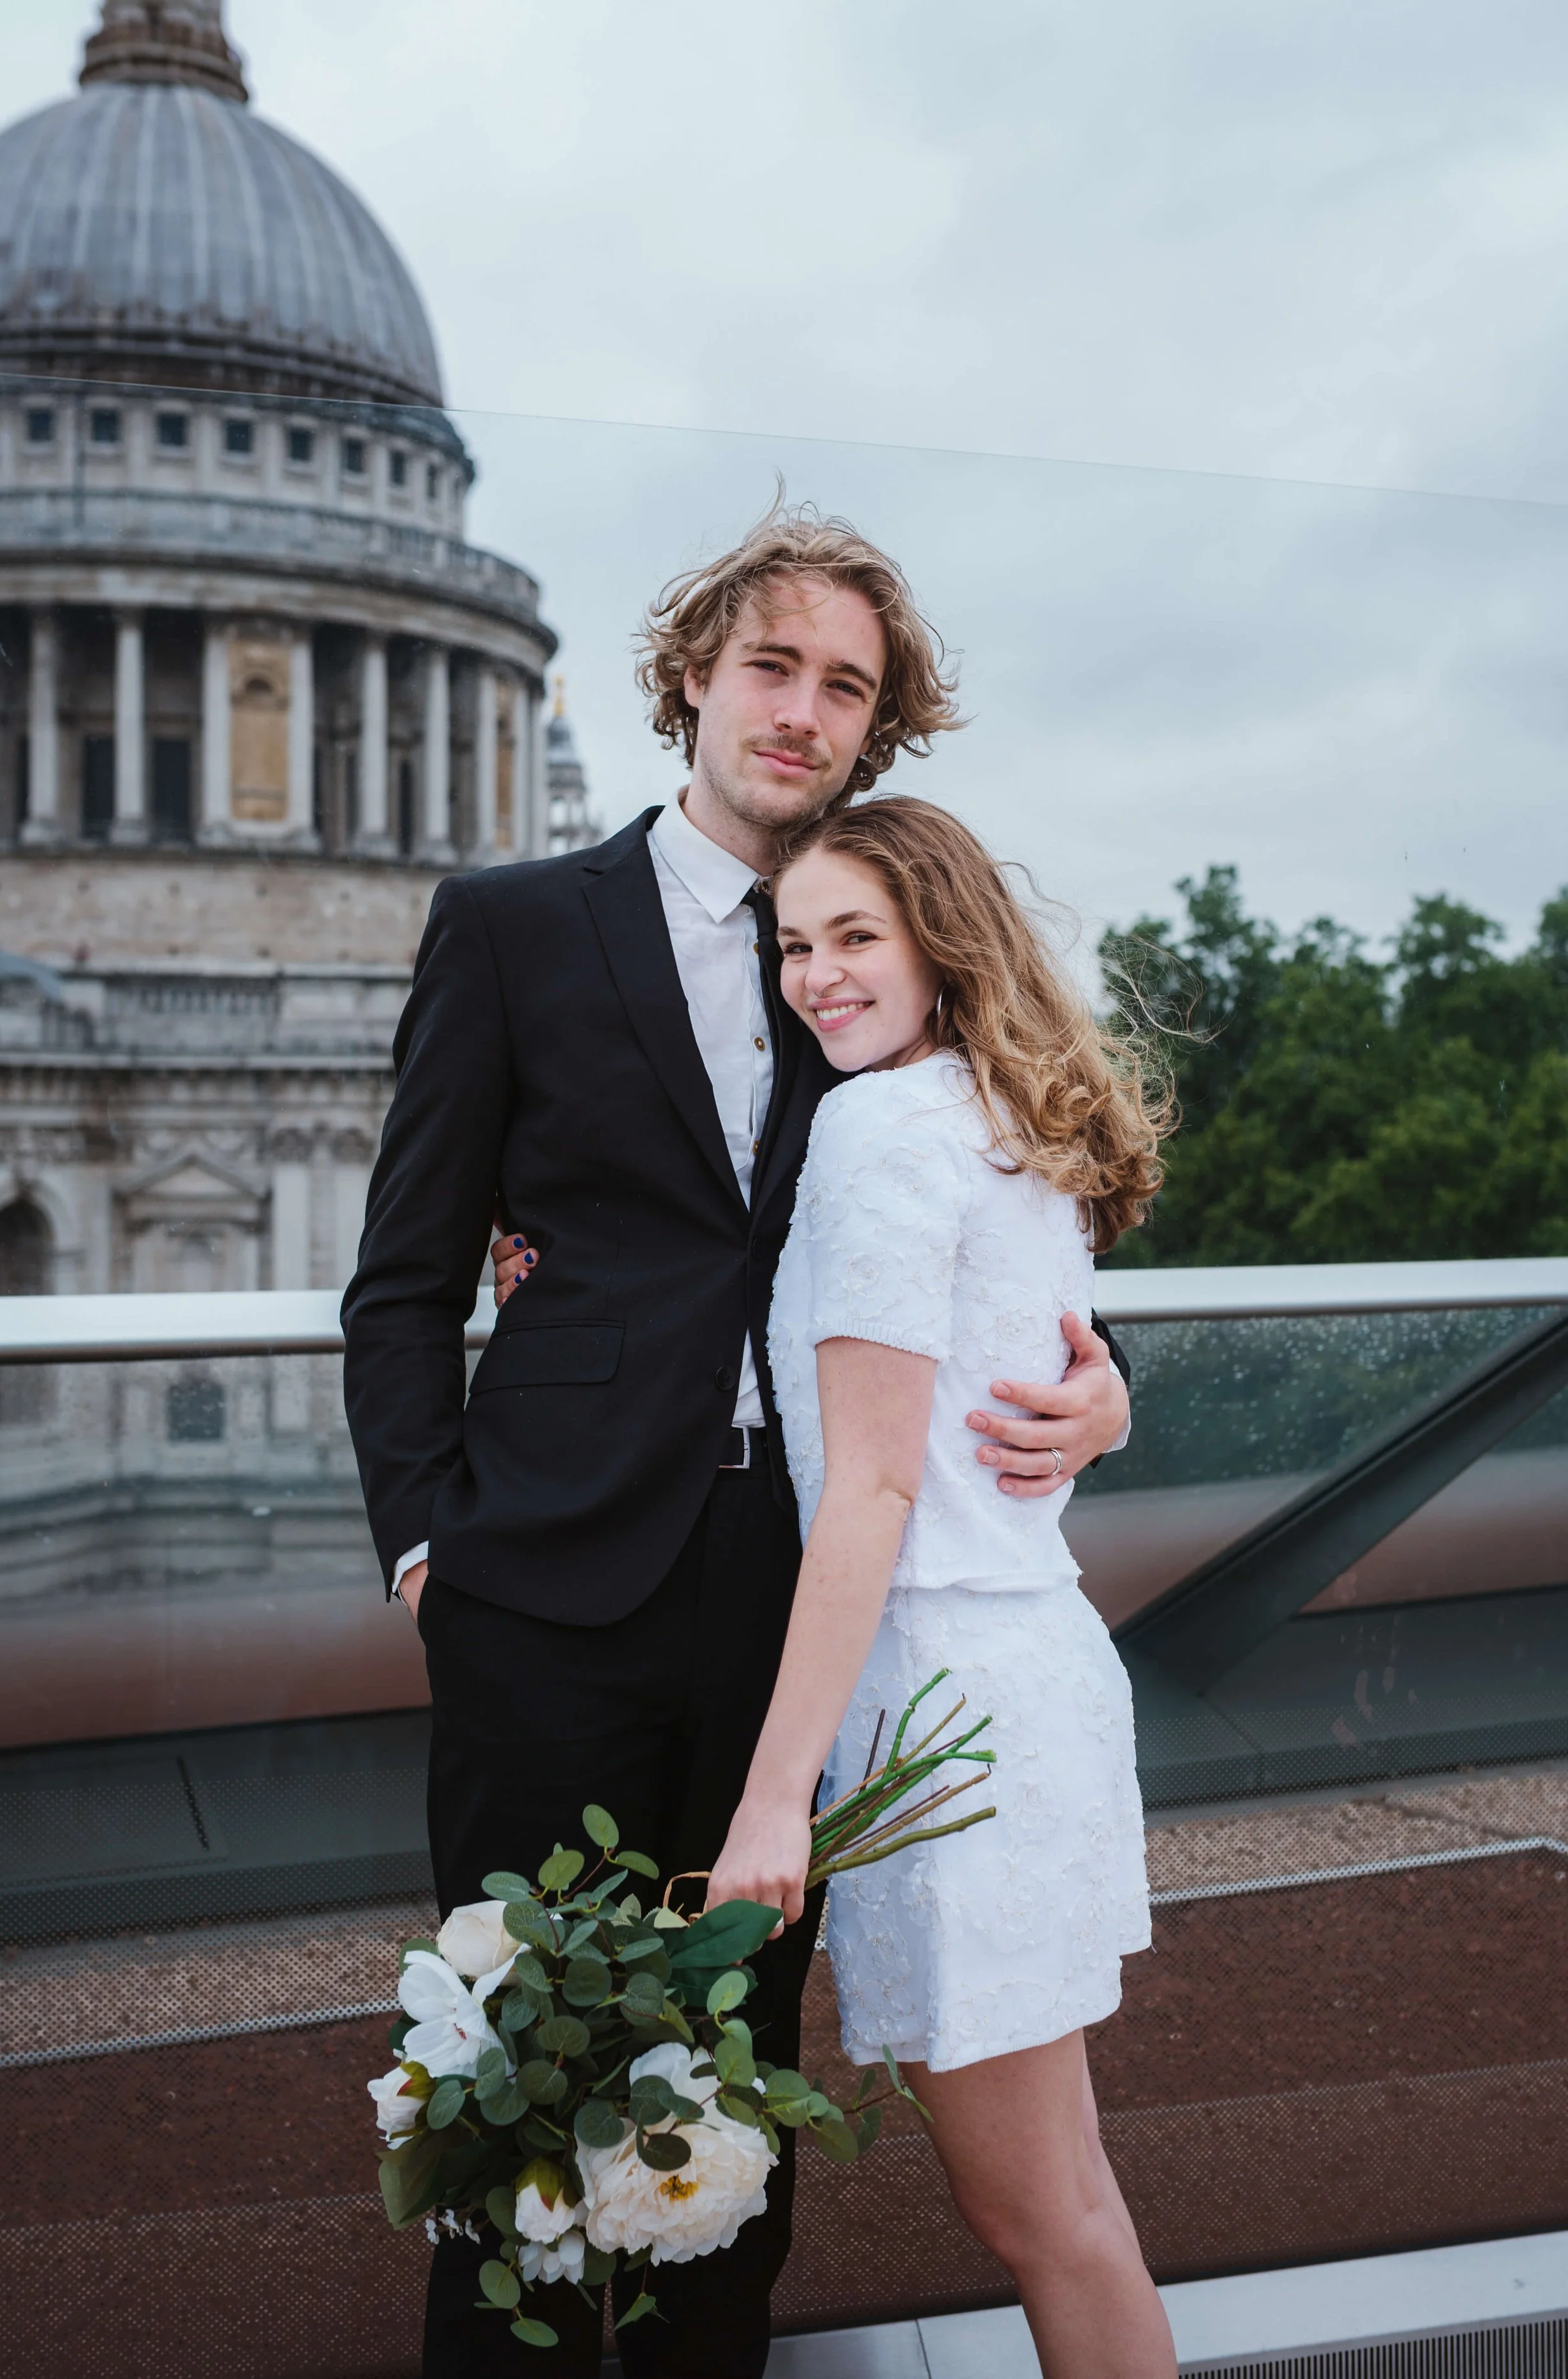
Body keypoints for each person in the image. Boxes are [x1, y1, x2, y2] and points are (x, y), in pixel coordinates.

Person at [341, 502, 1134, 2379]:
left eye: (845, 686)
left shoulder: (875, 957)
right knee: (506, 2114)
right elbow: (402, 1278)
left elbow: (986, 1214)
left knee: (732, 2127)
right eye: (771, 664)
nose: (802, 709)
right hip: (541, 1589)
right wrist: (424, 1546)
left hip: (796, 1613)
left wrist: (1107, 1389)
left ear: (875, 729)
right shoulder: (513, 927)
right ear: (693, 673)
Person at [702, 796, 1177, 2379]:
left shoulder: (881, 1130)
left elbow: (878, 1493)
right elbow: (1034, 1390)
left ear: (936, 944)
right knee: (1070, 2200)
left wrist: (774, 1806)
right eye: (792, 945)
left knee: (1045, 2217)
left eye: (855, 938)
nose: (817, 977)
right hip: (1028, 1670)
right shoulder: (1002, 1114)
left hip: (942, 1717)